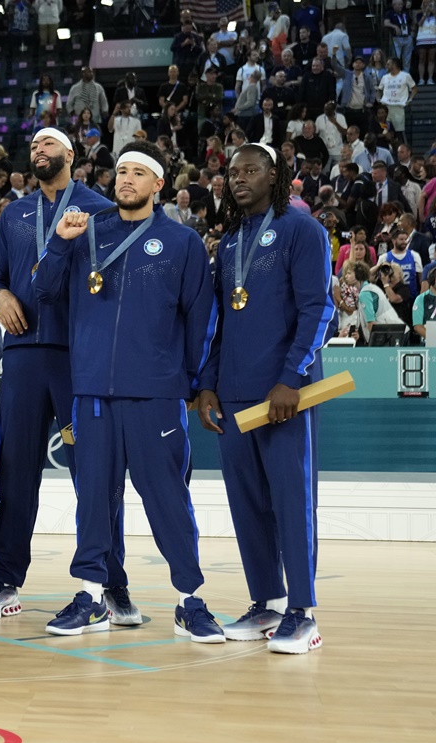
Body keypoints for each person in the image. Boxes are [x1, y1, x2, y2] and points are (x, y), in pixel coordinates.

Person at [31, 141, 223, 643]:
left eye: (138, 173)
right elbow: (44, 292)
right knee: (93, 496)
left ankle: (190, 600)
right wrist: (58, 241)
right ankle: (93, 597)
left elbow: (201, 319)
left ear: (159, 184)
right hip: (91, 390)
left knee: (166, 497)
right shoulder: (85, 231)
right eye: (121, 172)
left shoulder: (181, 242)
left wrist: (188, 383)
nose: (126, 180)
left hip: (155, 394)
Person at [198, 143, 335, 654]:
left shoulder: (304, 230)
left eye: (251, 170)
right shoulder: (229, 241)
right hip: (233, 395)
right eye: (232, 172)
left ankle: (303, 613)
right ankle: (266, 603)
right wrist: (207, 384)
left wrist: (291, 379)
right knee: (248, 503)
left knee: (291, 498)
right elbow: (216, 324)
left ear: (275, 176)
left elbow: (319, 310)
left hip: (284, 394)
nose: (239, 179)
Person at [0, 127, 114, 620]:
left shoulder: (100, 208)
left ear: (71, 155)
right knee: (17, 472)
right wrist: (1, 295)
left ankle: (107, 583)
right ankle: (8, 578)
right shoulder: (12, 213)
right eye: (32, 145)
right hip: (24, 358)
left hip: (78, 357)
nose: (38, 150)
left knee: (92, 473)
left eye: (48, 144)